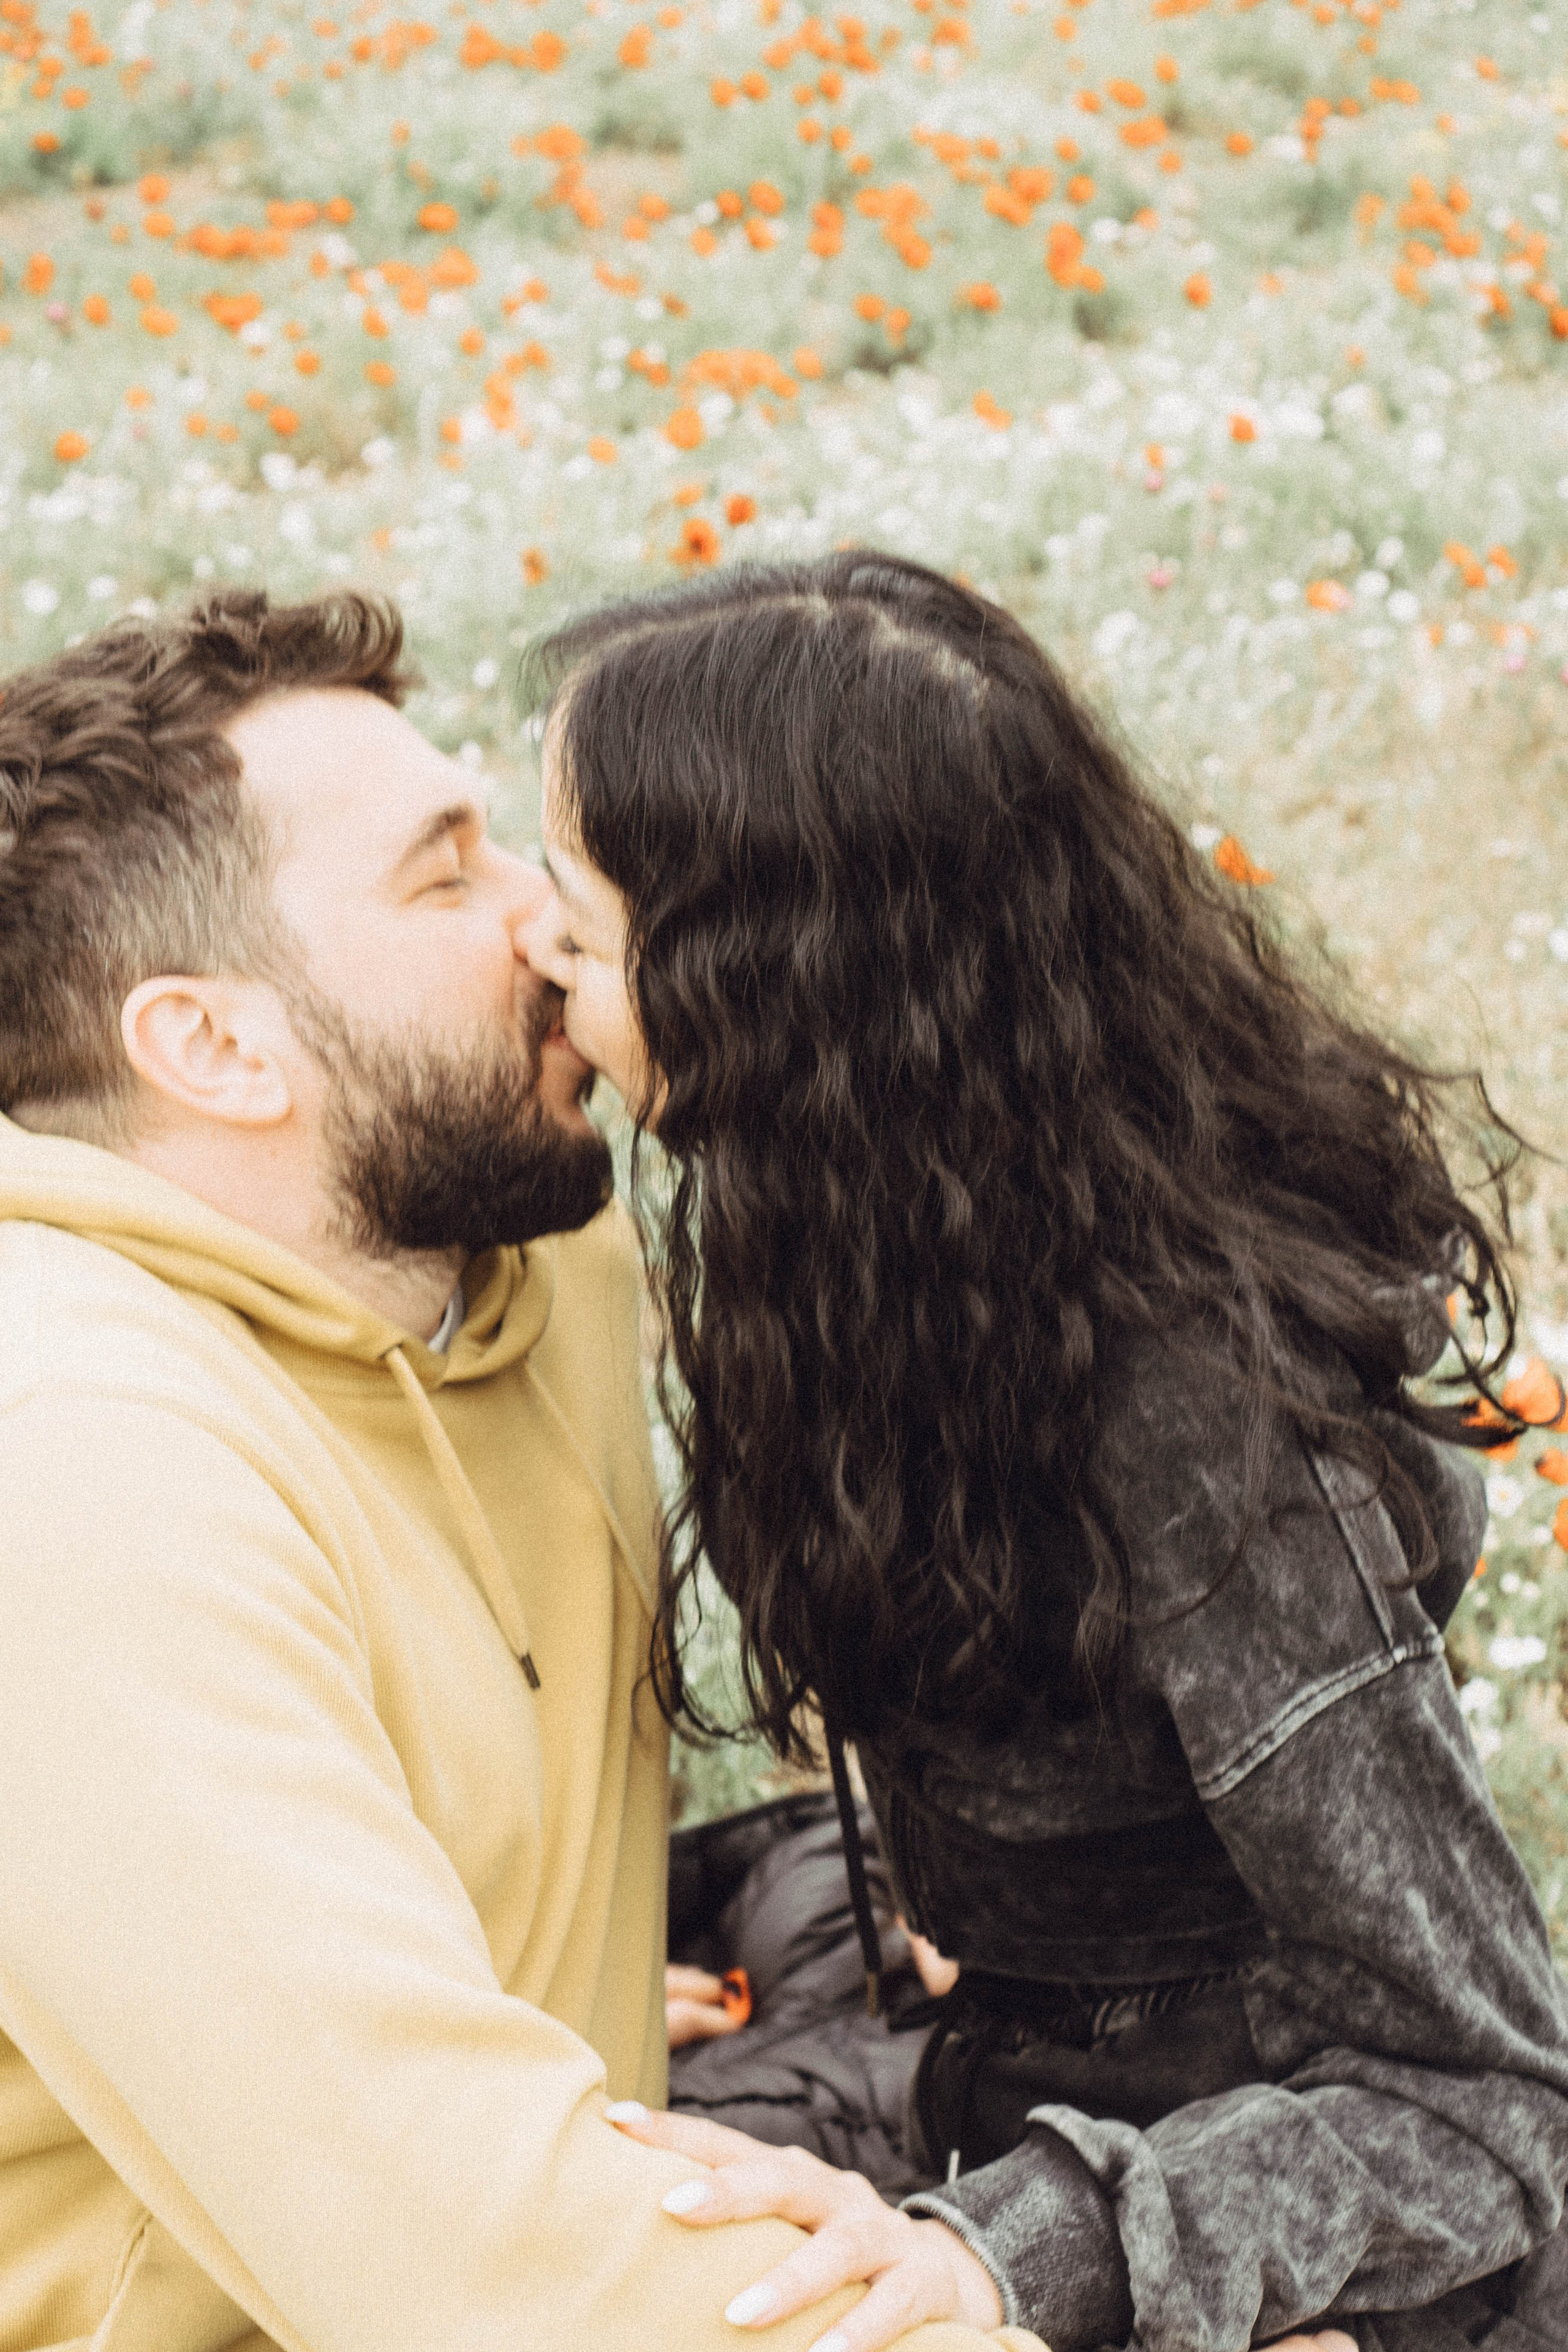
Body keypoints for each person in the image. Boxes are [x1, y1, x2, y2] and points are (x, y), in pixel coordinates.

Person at [519, 549, 1568, 2352]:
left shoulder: (1198, 1423)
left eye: (578, 917)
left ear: (778, 1002)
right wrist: (967, 1874)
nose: (532, 948)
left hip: (1250, 2198)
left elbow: (1488, 2099)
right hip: (996, 2052)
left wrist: (1034, 2249)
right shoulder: (863, 1244)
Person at [0, 589, 1039, 2352]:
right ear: (217, 1048)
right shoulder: (71, 1465)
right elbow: (463, 2259)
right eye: (447, 873)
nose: (552, 922)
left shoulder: (511, 1228)